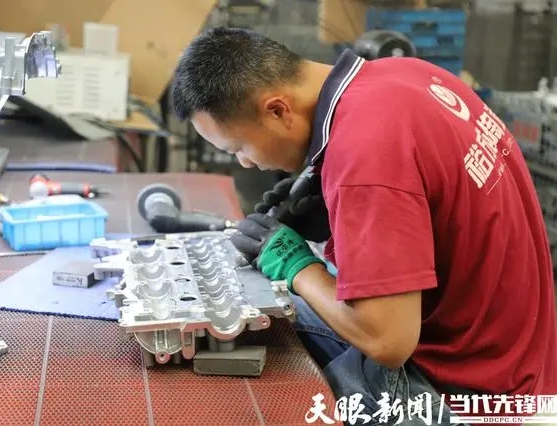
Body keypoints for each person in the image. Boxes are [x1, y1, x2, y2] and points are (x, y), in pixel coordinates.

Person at [171, 27, 557, 424]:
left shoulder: (363, 153)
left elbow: (387, 341)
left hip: (475, 394)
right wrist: (334, 217)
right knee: (283, 314)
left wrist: (295, 264)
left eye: (238, 148)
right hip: (522, 360)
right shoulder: (404, 74)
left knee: (280, 392)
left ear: (278, 110)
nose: (246, 163)